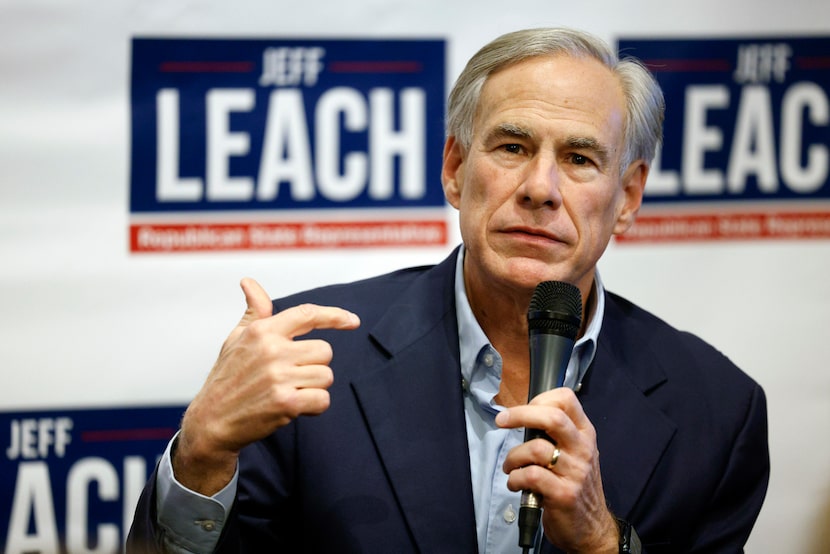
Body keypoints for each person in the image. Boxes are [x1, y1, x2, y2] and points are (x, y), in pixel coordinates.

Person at [128, 27, 769, 553]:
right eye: (512, 146)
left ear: (627, 197)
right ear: (456, 170)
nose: (541, 187)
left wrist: (604, 542)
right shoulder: (309, 355)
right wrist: (200, 459)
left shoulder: (716, 411)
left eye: (579, 159)